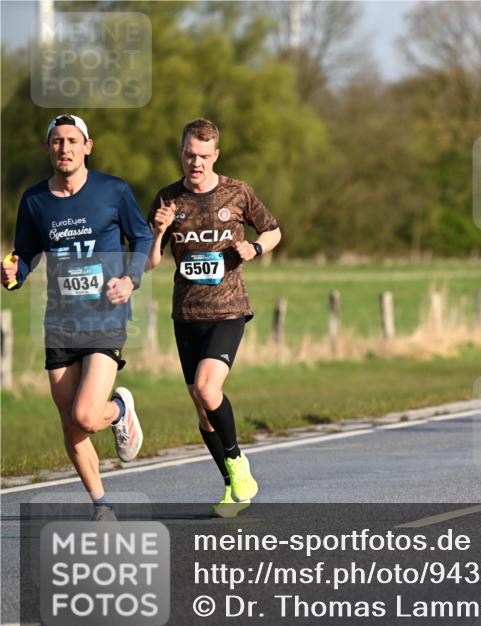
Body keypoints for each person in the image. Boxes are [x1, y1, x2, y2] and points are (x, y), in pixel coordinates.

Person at [1, 114, 152, 520]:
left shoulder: (113, 191)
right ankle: (102, 505)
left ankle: (119, 408)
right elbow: (26, 253)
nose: (64, 148)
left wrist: (130, 278)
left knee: (87, 414)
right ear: (48, 148)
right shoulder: (35, 200)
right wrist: (14, 275)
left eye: (72, 141)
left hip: (105, 316)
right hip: (60, 321)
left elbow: (142, 236)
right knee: (71, 424)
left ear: (88, 146)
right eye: (57, 141)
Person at [145, 118, 281, 518]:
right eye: (190, 154)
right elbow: (150, 263)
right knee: (203, 409)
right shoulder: (168, 199)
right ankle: (232, 487)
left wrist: (255, 249)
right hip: (186, 314)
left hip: (228, 309)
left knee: (208, 389)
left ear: (215, 155)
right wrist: (157, 233)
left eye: (204, 156)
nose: (196, 163)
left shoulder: (238, 192)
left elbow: (273, 231)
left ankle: (238, 463)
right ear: (181, 153)